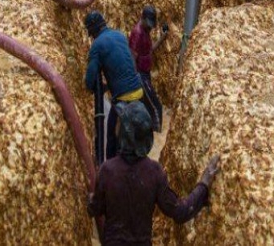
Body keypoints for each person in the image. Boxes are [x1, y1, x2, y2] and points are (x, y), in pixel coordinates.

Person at [87, 101, 220, 246]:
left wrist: (91, 198)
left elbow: (95, 209)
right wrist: (204, 183)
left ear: (124, 135)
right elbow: (180, 212)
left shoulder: (107, 170)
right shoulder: (154, 172)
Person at [84, 10, 145, 164]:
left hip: (124, 99)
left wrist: (92, 87)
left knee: (112, 138)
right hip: (139, 91)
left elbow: (90, 79)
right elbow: (124, 65)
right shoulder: (119, 35)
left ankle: (111, 169)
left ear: (92, 31)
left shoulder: (97, 45)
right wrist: (108, 86)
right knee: (133, 134)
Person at [128, 5, 168, 132]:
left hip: (145, 73)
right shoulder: (138, 33)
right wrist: (136, 78)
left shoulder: (145, 31)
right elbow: (132, 56)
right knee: (156, 106)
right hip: (140, 75)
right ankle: (157, 133)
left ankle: (147, 131)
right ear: (143, 18)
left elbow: (149, 51)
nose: (150, 27)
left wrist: (162, 38)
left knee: (146, 105)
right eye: (149, 24)